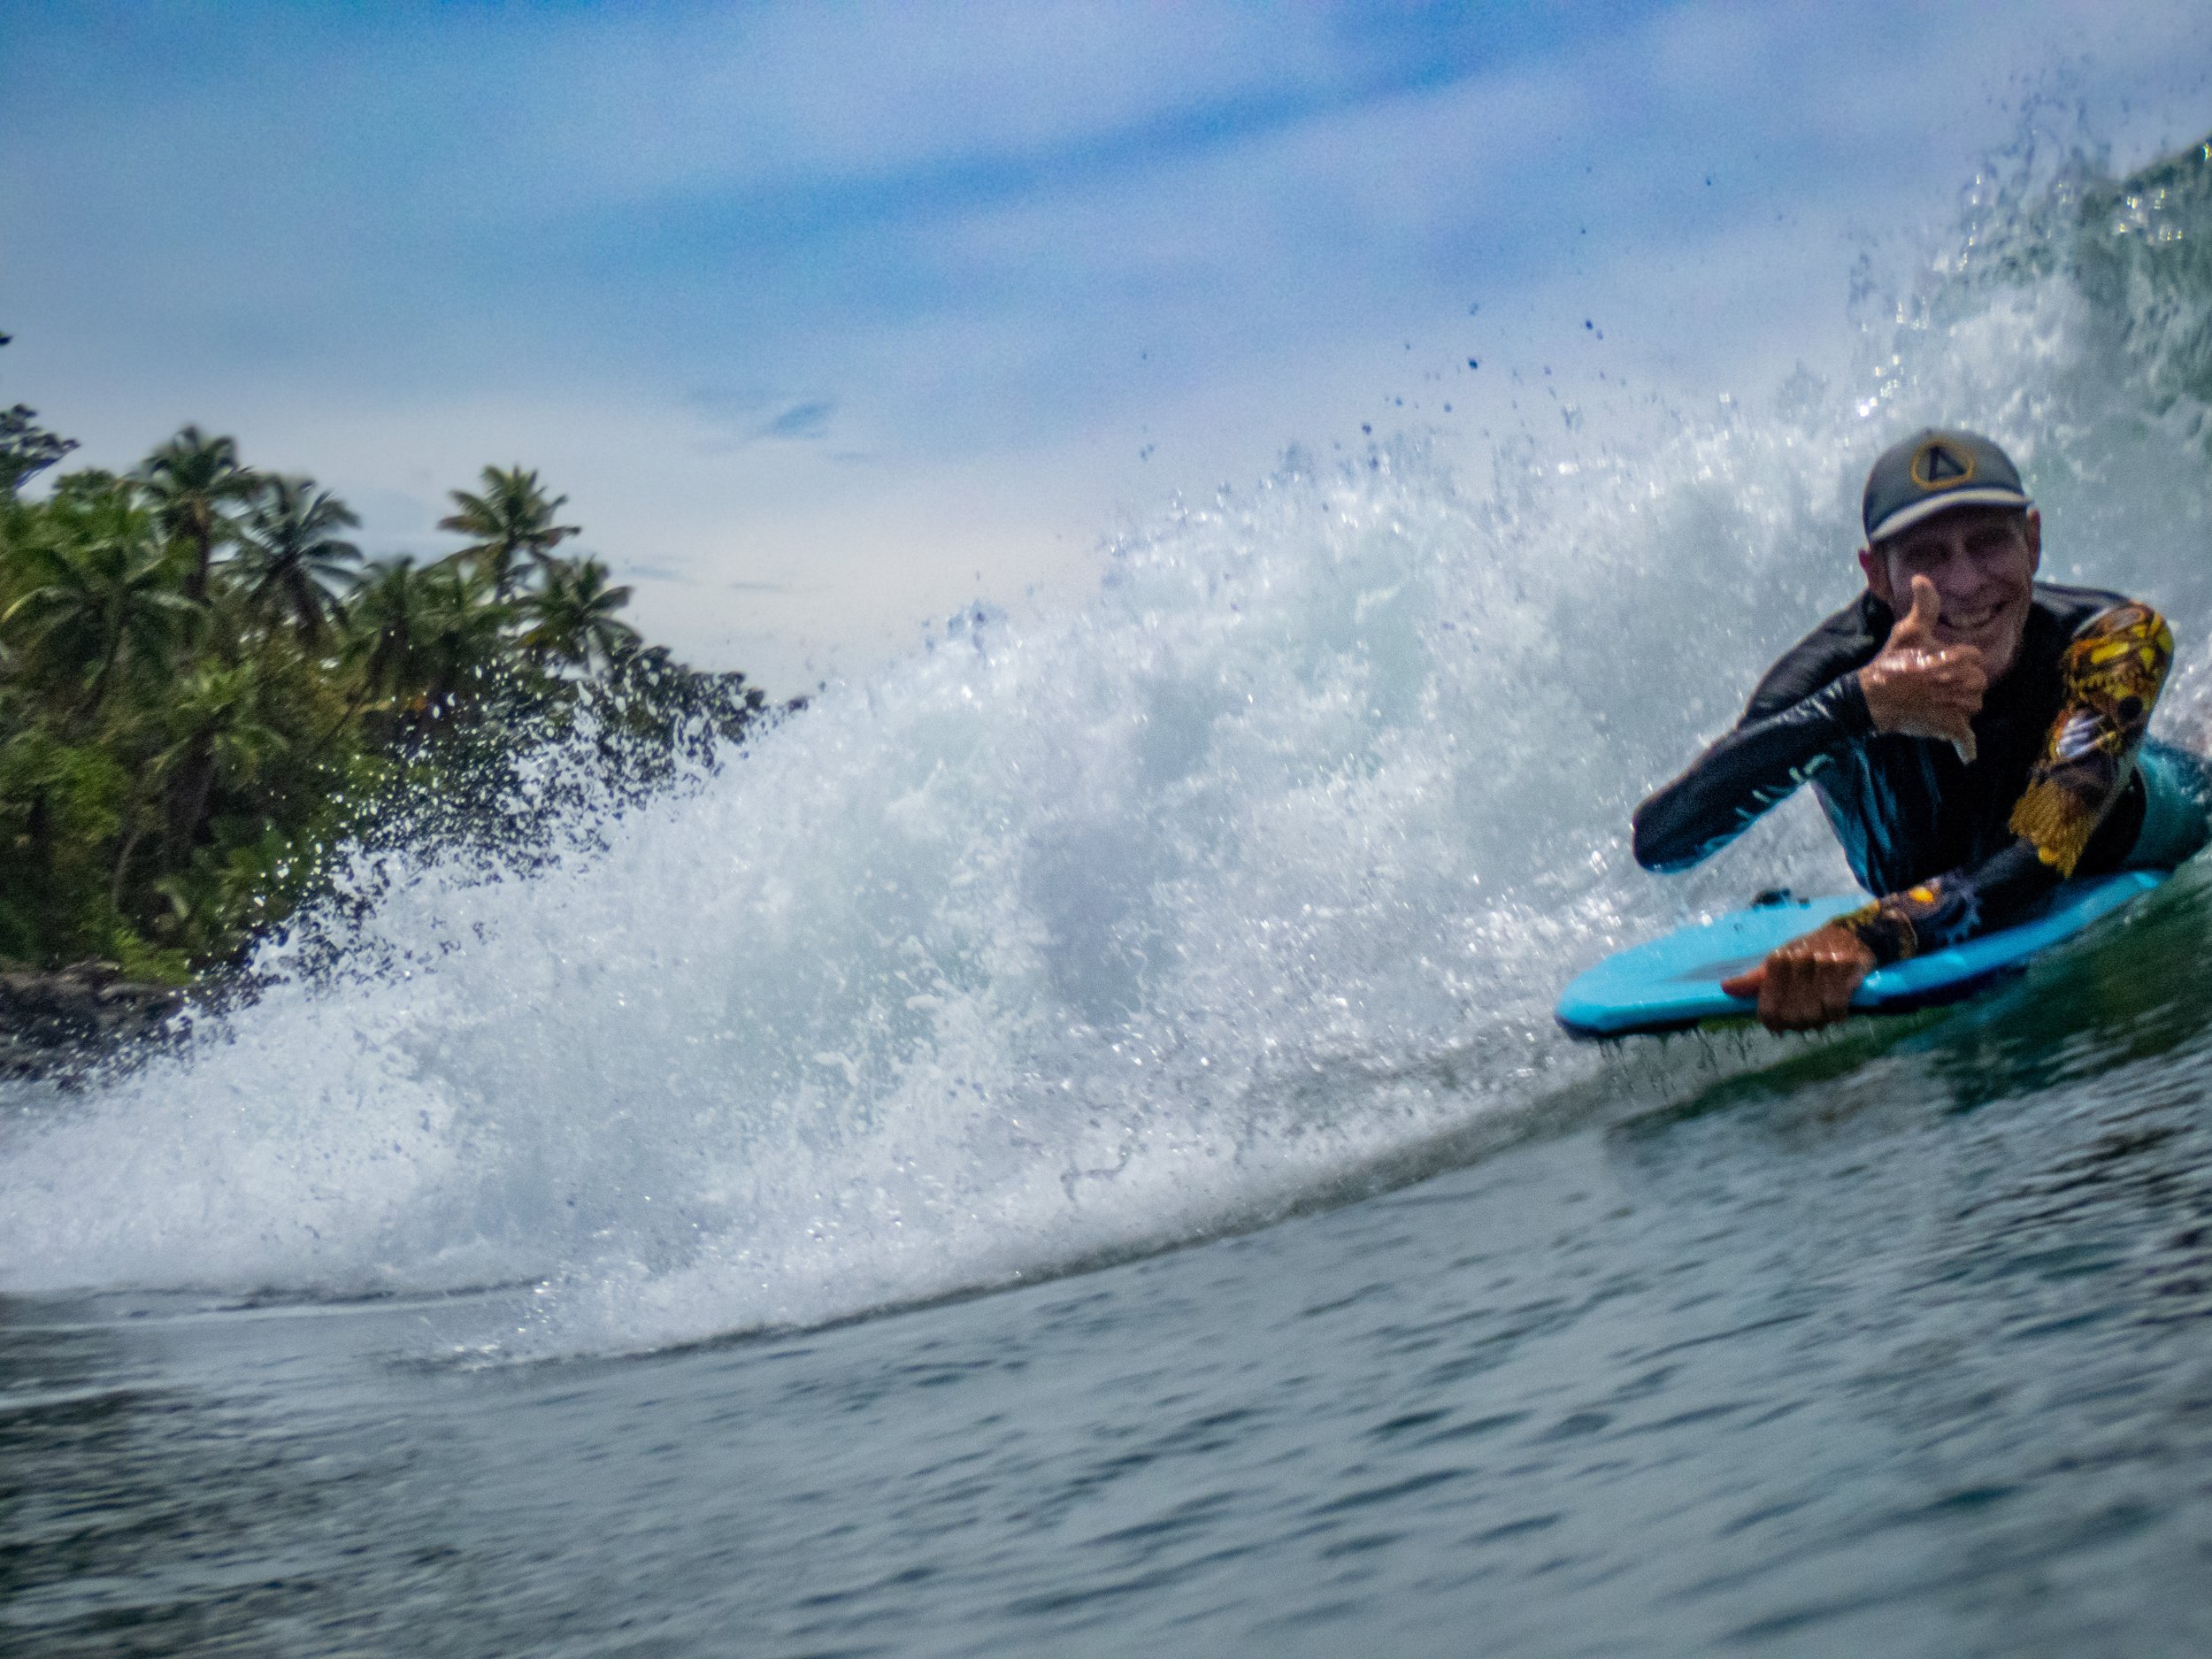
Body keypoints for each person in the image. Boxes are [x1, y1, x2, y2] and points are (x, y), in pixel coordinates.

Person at [1632, 427, 2210, 1033]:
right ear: (1876, 574)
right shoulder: (1835, 675)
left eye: (1988, 543)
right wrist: (1859, 707)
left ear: (2032, 542)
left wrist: (1866, 934)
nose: (1964, 582)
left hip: (2137, 826)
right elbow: (1662, 843)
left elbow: (2040, 856)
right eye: (1929, 556)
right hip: (1946, 884)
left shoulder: (2114, 639)